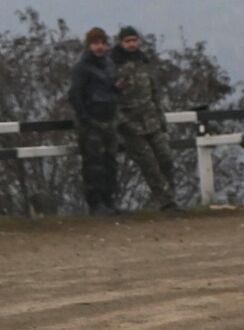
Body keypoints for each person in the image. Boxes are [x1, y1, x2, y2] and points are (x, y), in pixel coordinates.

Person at [112, 26, 179, 211]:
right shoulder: (113, 65)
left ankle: (169, 197)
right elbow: (110, 98)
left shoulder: (145, 62)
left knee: (166, 158)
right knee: (149, 164)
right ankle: (166, 203)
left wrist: (161, 117)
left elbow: (155, 91)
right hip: (131, 126)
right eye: (128, 41)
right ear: (121, 43)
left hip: (152, 121)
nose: (132, 44)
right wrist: (122, 122)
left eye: (134, 40)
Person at [67, 27, 119, 214]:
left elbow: (111, 90)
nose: (99, 47)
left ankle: (109, 201)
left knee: (110, 163)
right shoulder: (81, 68)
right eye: (96, 43)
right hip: (91, 123)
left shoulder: (109, 65)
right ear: (89, 45)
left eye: (102, 43)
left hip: (109, 121)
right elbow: (75, 94)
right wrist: (84, 117)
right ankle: (96, 204)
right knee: (93, 164)